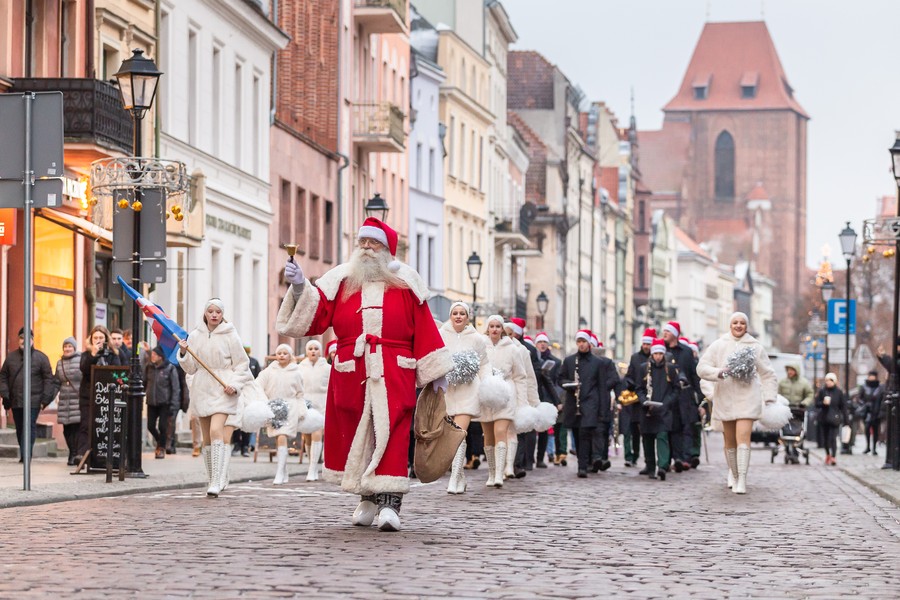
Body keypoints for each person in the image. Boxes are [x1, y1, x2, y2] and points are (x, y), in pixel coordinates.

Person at [276, 217, 451, 532]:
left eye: (374, 243)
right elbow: (316, 316)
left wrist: (435, 371)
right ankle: (366, 497)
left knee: (394, 431)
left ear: (386, 248)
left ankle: (391, 503)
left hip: (394, 368)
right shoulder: (342, 280)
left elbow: (425, 327)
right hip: (352, 368)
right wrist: (300, 286)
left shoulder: (406, 283)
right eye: (363, 242)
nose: (367, 248)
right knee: (356, 432)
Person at [178, 298, 255, 497]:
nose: (214, 315)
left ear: (222, 314)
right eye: (210, 311)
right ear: (205, 313)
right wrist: (184, 352)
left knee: (215, 430)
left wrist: (235, 385)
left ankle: (216, 481)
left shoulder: (231, 334)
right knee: (206, 438)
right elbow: (191, 368)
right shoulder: (195, 335)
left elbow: (242, 364)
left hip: (224, 388)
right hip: (202, 388)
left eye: (218, 312)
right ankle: (212, 478)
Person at [697, 312, 777, 494]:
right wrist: (718, 373)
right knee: (730, 442)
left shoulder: (755, 347)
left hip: (748, 398)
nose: (738, 326)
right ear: (730, 325)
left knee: (743, 438)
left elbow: (767, 373)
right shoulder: (719, 345)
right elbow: (701, 368)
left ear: (746, 326)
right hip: (725, 398)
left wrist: (769, 397)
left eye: (742, 323)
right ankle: (733, 474)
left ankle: (742, 479)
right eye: (735, 322)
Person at [438, 301, 491, 494]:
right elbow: (435, 358)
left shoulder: (477, 338)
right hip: (448, 391)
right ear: (450, 316)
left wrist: (487, 383)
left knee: (459, 432)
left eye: (462, 313)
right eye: (455, 313)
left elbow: (484, 363)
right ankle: (460, 476)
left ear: (468, 317)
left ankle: (454, 478)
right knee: (450, 435)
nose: (458, 316)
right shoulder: (441, 335)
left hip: (469, 390)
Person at [558, 329, 621, 478]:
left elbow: (602, 387)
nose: (581, 344)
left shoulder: (598, 363)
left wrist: (602, 410)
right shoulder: (569, 361)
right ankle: (583, 461)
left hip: (591, 403)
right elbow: (560, 379)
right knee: (577, 434)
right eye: (579, 342)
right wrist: (570, 384)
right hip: (574, 402)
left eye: (584, 342)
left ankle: (583, 466)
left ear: (589, 343)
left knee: (585, 433)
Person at [478, 314, 527, 488]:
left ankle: (500, 473)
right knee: (488, 435)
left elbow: (520, 376)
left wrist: (522, 402)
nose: (494, 329)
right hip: (486, 393)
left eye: (498, 326)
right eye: (491, 326)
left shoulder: (512, 349)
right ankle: (491, 473)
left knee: (500, 430)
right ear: (487, 328)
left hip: (507, 394)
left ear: (502, 329)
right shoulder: (480, 345)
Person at [0, 328, 59, 462]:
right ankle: (24, 453)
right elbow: (3, 376)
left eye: (27, 338)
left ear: (32, 340)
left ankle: (26, 455)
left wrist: (46, 399)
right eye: (22, 338)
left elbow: (48, 379)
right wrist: (5, 394)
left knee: (29, 426)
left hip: (34, 400)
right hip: (16, 399)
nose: (24, 341)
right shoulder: (11, 357)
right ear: (18, 340)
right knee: (20, 427)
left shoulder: (41, 358)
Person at [76, 325, 128, 461]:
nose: (98, 340)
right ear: (91, 339)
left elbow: (117, 372)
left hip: (106, 396)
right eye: (95, 338)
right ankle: (82, 454)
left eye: (101, 337)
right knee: (86, 424)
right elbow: (84, 368)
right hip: (88, 395)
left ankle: (104, 455)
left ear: (106, 339)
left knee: (105, 425)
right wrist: (93, 355)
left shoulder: (113, 353)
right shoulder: (86, 354)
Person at [258, 343, 307, 485]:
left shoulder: (296, 372)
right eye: (279, 353)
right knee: (277, 437)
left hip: (290, 407)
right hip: (273, 407)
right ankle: (284, 471)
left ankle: (279, 472)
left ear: (290, 355)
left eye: (285, 353)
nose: (282, 355)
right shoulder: (268, 371)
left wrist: (301, 409)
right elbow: (258, 385)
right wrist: (263, 402)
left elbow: (300, 393)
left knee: (282, 435)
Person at [635, 338, 681, 481]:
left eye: (661, 354)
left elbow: (676, 389)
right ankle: (650, 466)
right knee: (647, 439)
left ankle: (662, 466)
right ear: (652, 354)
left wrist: (667, 402)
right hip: (647, 411)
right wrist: (644, 401)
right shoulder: (644, 368)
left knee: (662, 437)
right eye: (656, 354)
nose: (658, 356)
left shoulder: (670, 369)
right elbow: (639, 388)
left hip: (663, 410)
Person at [662, 321, 702, 472]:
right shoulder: (661, 350)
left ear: (675, 334)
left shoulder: (686, 351)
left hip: (685, 396)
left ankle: (685, 458)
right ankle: (672, 458)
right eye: (664, 331)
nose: (664, 333)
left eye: (668, 331)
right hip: (668, 394)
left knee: (686, 427)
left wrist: (700, 396)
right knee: (670, 428)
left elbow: (693, 374)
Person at [623, 328, 655, 469]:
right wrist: (629, 383)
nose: (646, 346)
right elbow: (629, 375)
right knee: (633, 430)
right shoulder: (635, 358)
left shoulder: (655, 357)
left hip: (651, 398)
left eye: (649, 344)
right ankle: (633, 456)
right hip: (636, 399)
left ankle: (648, 459)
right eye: (644, 344)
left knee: (646, 431)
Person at [298, 339, 329, 481]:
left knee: (317, 432)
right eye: (310, 349)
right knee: (307, 435)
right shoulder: (300, 368)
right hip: (305, 404)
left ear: (320, 351)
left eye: (316, 349)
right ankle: (311, 464)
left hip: (322, 404)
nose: (313, 351)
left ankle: (313, 468)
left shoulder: (327, 368)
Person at [144, 345, 181, 459]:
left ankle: (161, 449)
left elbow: (175, 388)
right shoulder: (149, 367)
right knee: (150, 426)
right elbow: (144, 382)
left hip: (165, 402)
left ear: (160, 356)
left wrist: (174, 404)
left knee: (162, 427)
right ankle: (161, 441)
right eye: (152, 354)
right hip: (151, 401)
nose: (152, 356)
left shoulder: (170, 368)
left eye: (154, 354)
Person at [534, 331, 561, 468]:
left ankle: (540, 458)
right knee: (530, 428)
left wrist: (557, 401)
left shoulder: (555, 362)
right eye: (540, 342)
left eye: (544, 342)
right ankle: (528, 457)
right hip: (534, 396)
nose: (542, 344)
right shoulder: (532, 359)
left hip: (547, 398)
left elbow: (555, 382)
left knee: (544, 429)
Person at [54, 337, 83, 465]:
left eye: (70, 346)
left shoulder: (81, 360)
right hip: (64, 400)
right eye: (65, 346)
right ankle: (72, 451)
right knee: (66, 429)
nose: (67, 349)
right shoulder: (60, 363)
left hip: (78, 398)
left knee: (76, 428)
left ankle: (74, 454)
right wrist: (50, 397)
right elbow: (56, 381)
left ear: (74, 348)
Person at [231, 345, 262, 458]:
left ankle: (245, 446)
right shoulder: (233, 361)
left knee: (247, 419)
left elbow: (257, 378)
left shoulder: (253, 362)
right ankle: (236, 444)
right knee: (235, 420)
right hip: (236, 393)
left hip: (249, 394)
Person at [815, 373, 847, 466]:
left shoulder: (839, 392)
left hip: (834, 419)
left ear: (834, 381)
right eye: (827, 381)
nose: (828, 382)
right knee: (825, 439)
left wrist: (846, 420)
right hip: (824, 418)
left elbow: (843, 406)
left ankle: (833, 456)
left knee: (833, 438)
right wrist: (823, 403)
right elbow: (816, 404)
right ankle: (828, 454)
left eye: (830, 380)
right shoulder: (822, 391)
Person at [858, 370, 884, 456]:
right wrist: (864, 404)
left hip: (876, 412)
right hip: (867, 411)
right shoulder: (864, 387)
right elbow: (859, 398)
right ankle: (868, 446)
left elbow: (882, 399)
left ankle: (874, 448)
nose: (871, 377)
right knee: (867, 429)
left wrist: (880, 411)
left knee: (876, 430)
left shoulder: (879, 388)